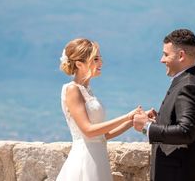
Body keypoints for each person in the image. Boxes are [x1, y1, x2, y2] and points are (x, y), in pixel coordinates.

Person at [133, 29, 195, 181]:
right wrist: (160, 121)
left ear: (181, 56)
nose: (162, 59)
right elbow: (193, 126)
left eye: (166, 54)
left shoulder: (188, 86)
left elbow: (186, 131)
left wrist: (147, 126)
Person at [57, 38, 141, 181]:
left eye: (100, 58)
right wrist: (126, 116)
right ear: (79, 64)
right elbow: (88, 131)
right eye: (95, 59)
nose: (101, 63)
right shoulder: (72, 90)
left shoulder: (87, 91)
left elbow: (103, 135)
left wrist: (132, 121)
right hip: (84, 159)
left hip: (98, 159)